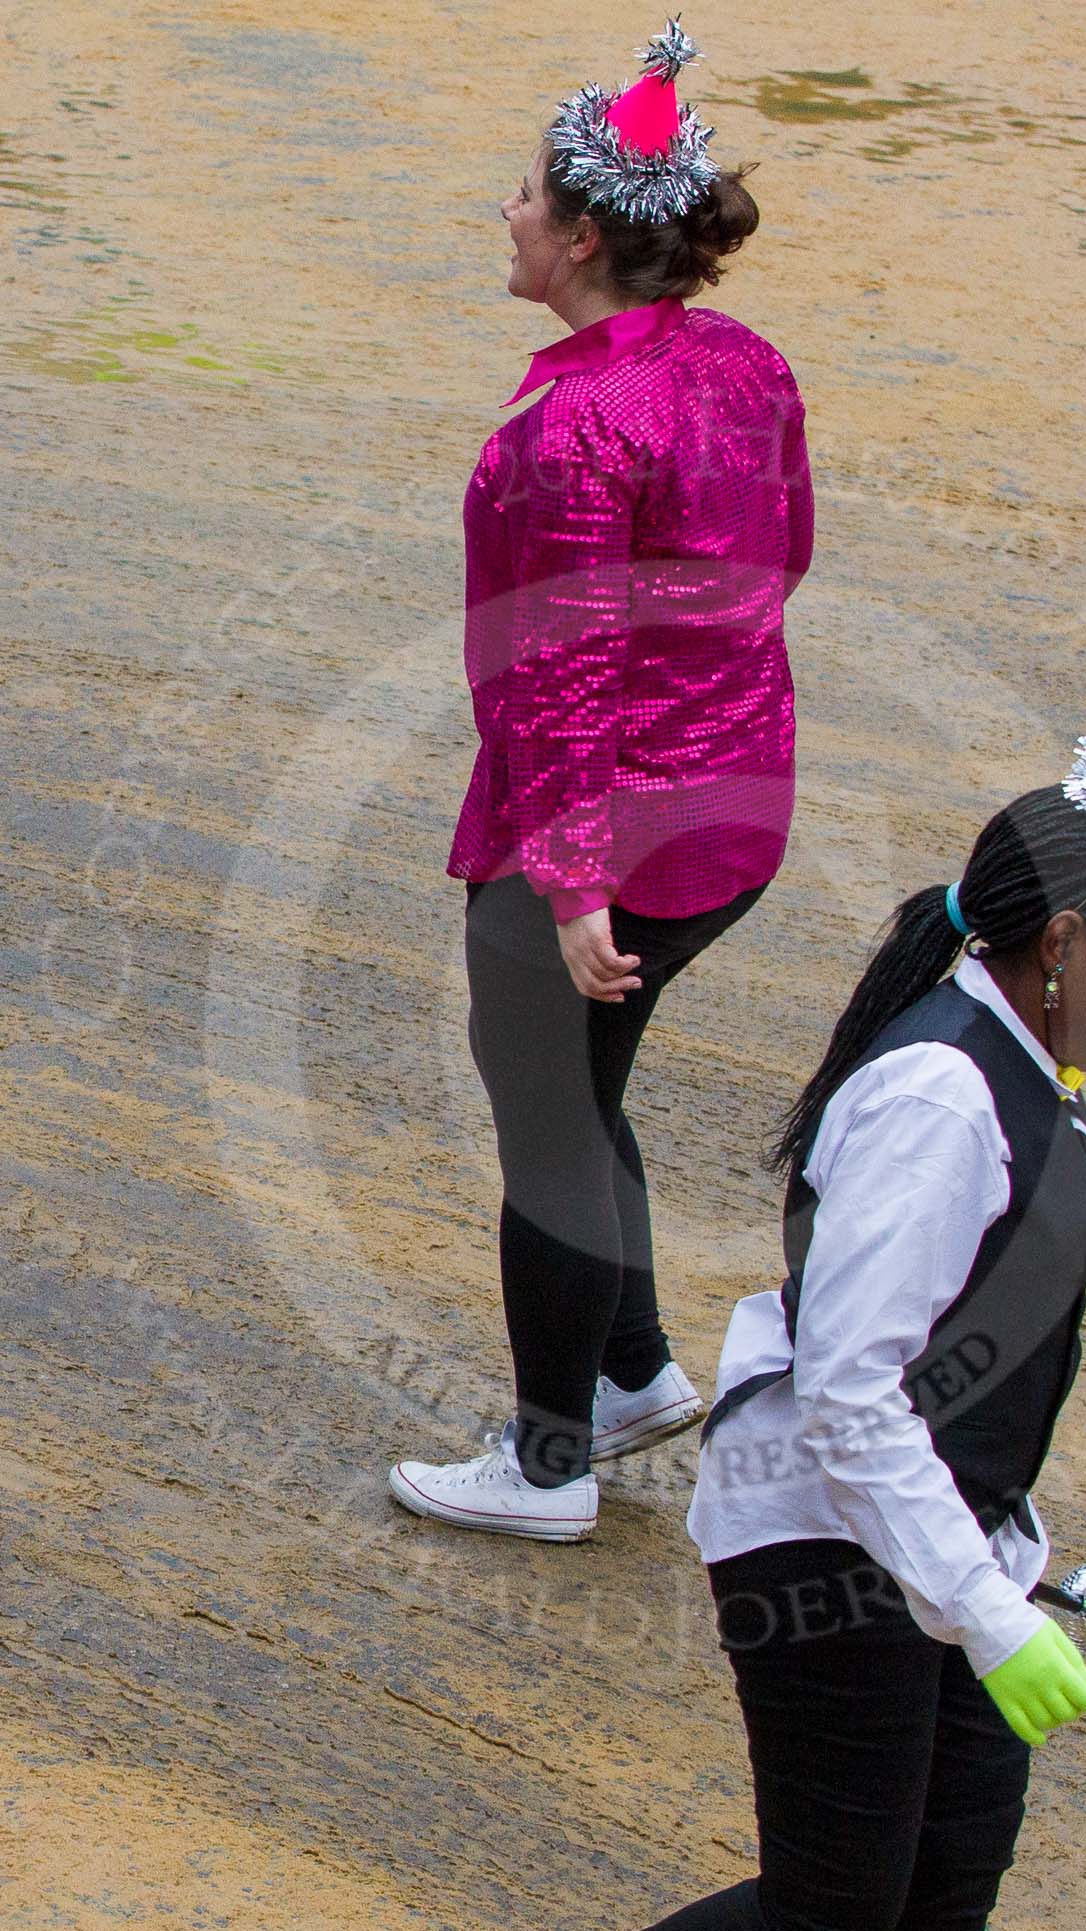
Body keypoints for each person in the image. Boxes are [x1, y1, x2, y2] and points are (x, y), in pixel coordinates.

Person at [396, 689, 1086, 1931]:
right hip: (818, 1533)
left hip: (936, 1535)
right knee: (832, 1901)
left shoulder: (1034, 1066)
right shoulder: (938, 1100)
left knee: (949, 1880)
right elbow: (850, 1396)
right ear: (1061, 943)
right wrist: (985, 1616)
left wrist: (990, 1566)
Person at [388, 20, 813, 1542]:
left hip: (608, 836)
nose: (502, 212)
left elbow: (561, 667)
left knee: (550, 1136)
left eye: (520, 195)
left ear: (576, 236)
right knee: (589, 1099)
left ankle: (546, 1465)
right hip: (735, 812)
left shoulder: (577, 425)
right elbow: (788, 557)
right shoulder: (747, 363)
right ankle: (629, 1372)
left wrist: (568, 884)